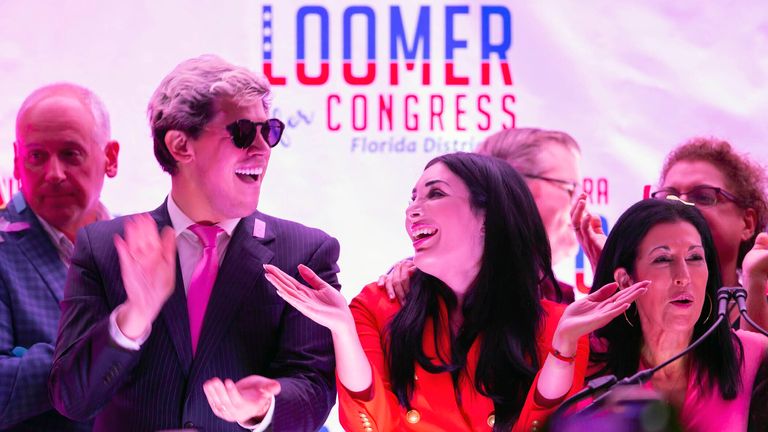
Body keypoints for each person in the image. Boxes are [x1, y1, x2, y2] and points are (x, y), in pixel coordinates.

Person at [49, 55, 339, 432]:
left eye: (268, 131)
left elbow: (315, 388)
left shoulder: (305, 252)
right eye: (241, 132)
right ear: (180, 145)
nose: (262, 148)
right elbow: (71, 399)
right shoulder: (104, 247)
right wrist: (132, 320)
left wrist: (263, 406)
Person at [264, 152, 646, 431]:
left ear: (488, 217)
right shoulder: (377, 305)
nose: (413, 210)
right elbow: (368, 423)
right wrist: (342, 330)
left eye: (435, 194)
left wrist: (563, 346)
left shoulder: (558, 323)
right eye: (412, 198)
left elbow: (541, 425)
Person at [585, 199, 767, 431]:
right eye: (663, 259)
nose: (684, 276)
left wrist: (756, 280)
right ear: (626, 280)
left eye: (695, 258)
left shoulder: (748, 352)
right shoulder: (588, 358)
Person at [0, 83, 118, 431]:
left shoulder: (145, 248)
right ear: (18, 161)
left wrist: (31, 359)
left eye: (71, 154)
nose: (53, 174)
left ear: (110, 158)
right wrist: (115, 341)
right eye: (36, 156)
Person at [572, 137, 768, 332]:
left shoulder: (759, 303)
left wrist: (755, 287)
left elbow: (753, 361)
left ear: (747, 223)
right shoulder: (641, 311)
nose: (680, 205)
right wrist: (608, 273)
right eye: (669, 197)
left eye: (703, 196)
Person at [381, 128, 582, 304]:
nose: (581, 200)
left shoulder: (559, 297)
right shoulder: (411, 286)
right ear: (514, 187)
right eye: (570, 188)